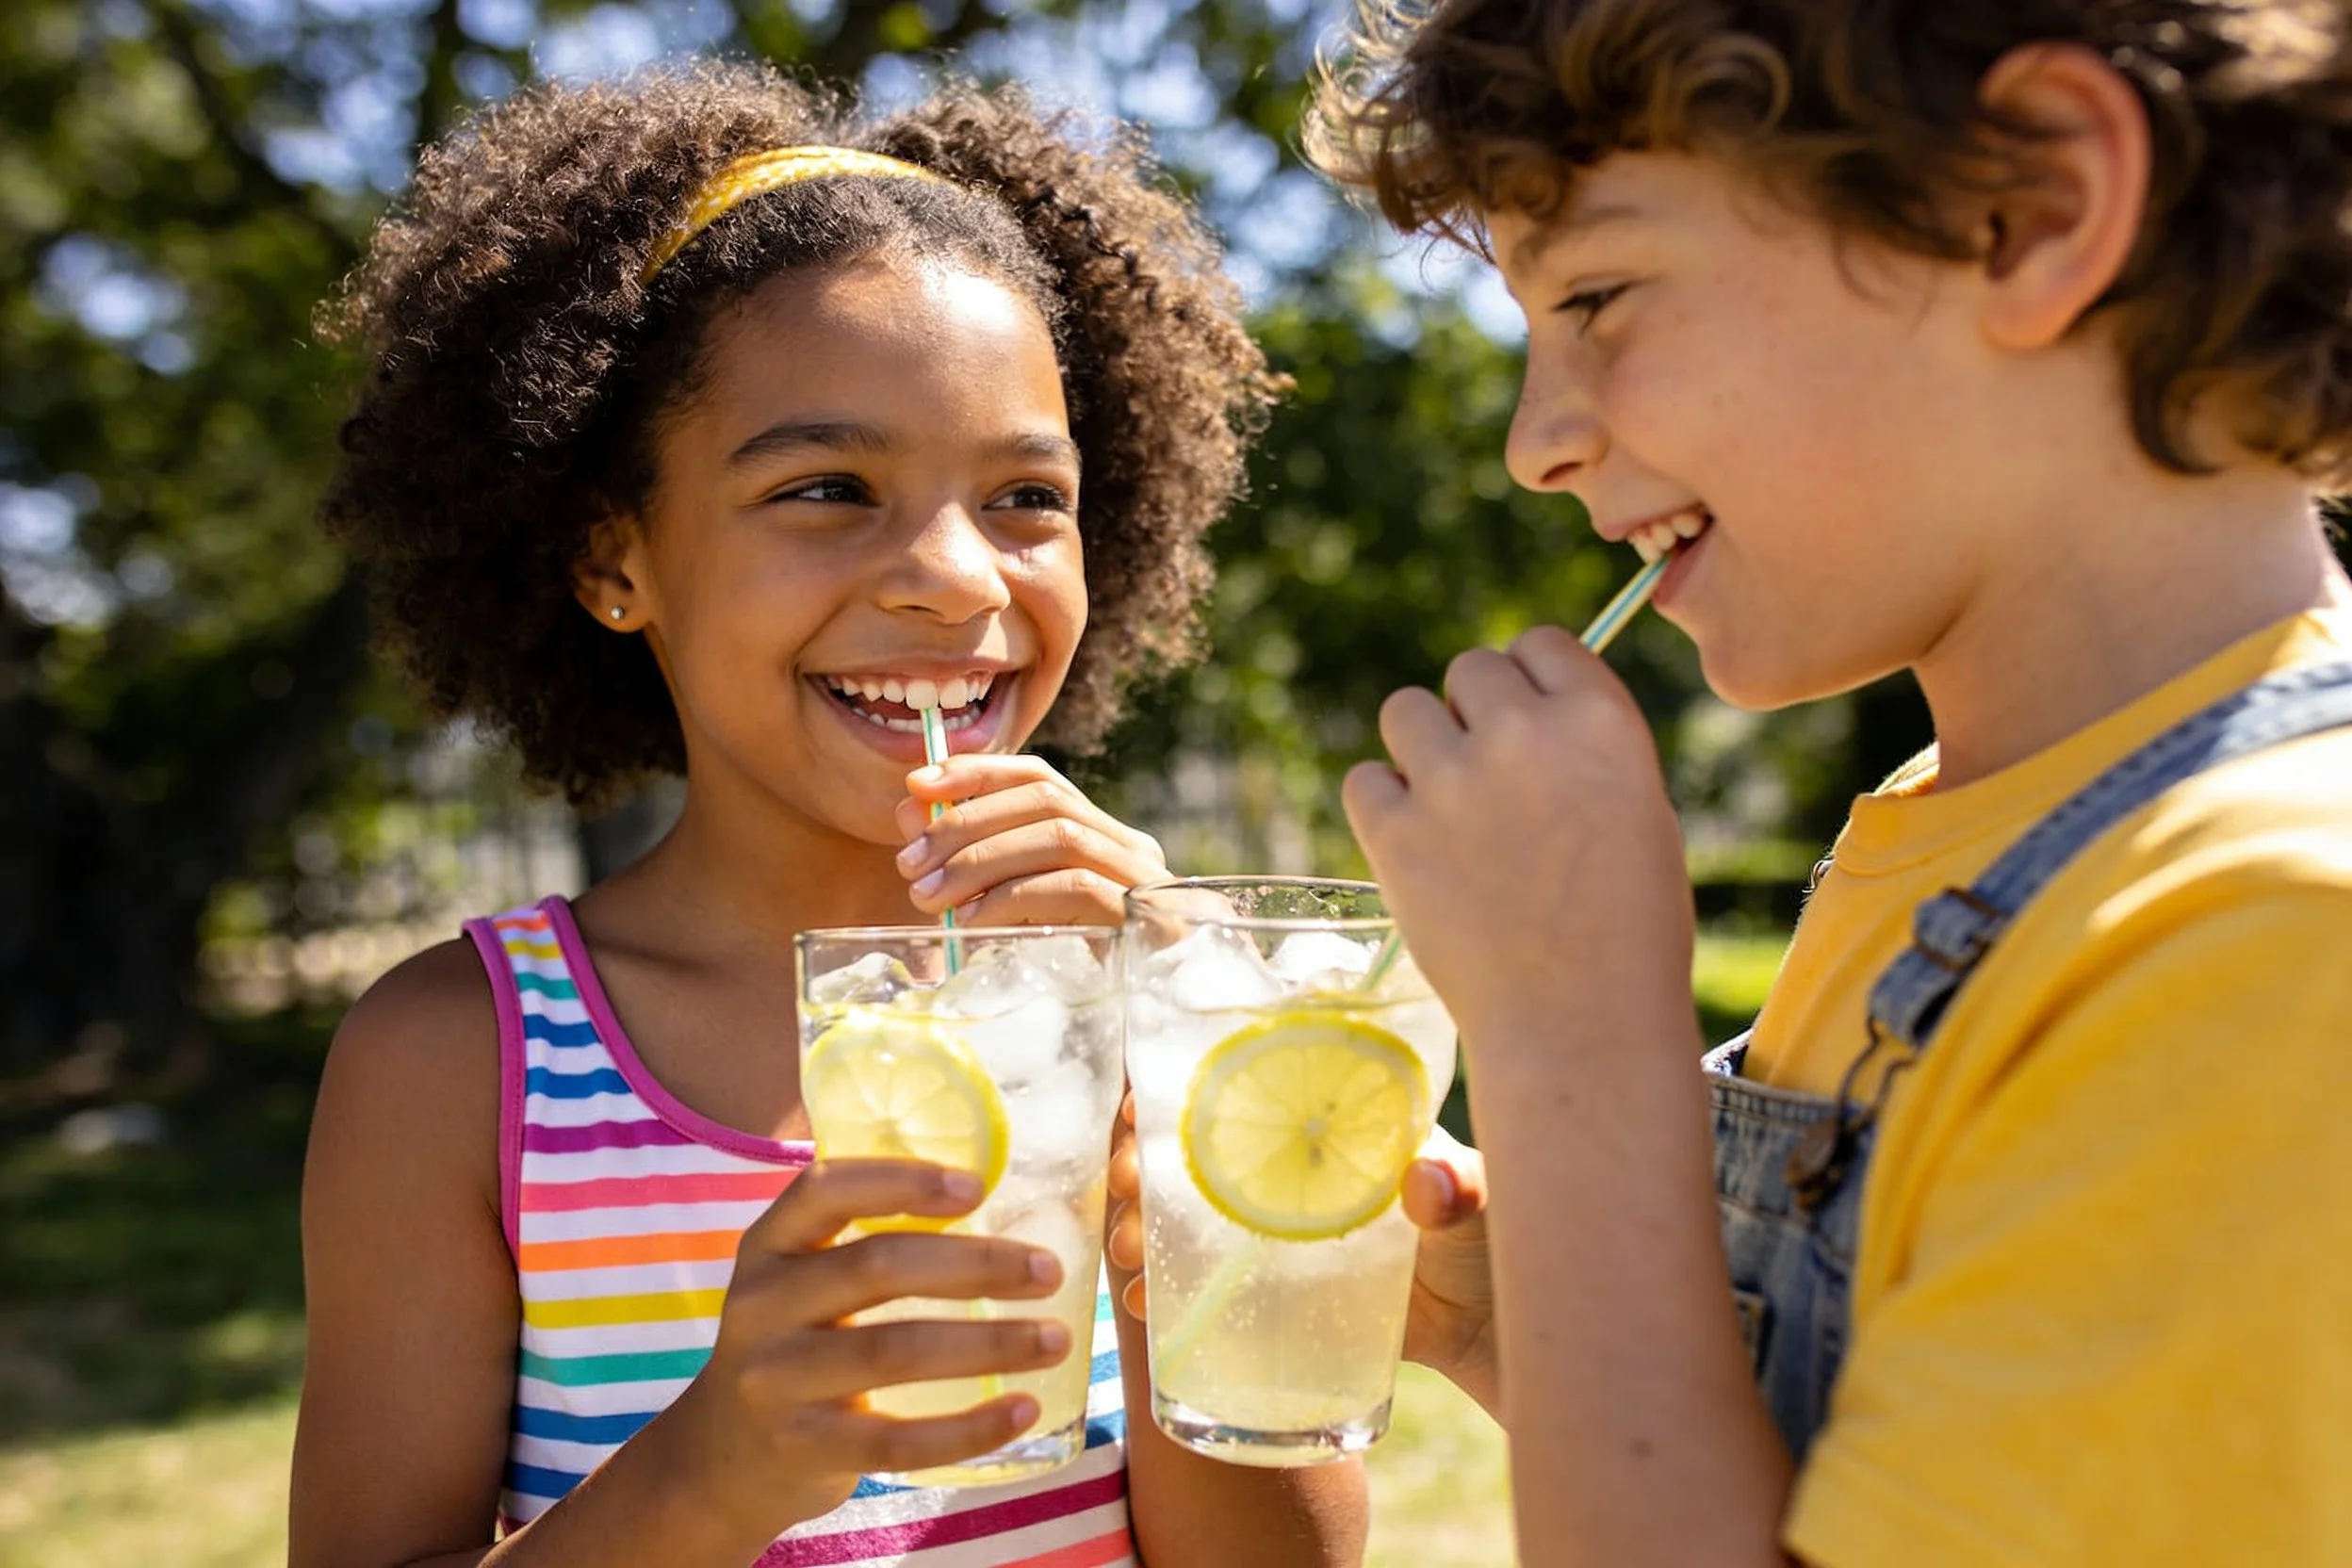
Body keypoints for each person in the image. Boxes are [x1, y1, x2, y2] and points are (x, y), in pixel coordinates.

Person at [1309, 1, 2352, 1563]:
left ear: (2032, 209)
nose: (1536, 441)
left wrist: (1572, 1054)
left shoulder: (2269, 940)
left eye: (1597, 293)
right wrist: (1522, 1332)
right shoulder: (1970, 838)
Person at [290, 60, 1368, 1568]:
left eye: (1026, 498)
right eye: (825, 487)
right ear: (617, 561)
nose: (955, 576)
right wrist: (705, 1479)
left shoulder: (1159, 1006)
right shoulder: (458, 1064)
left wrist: (1182, 1134)